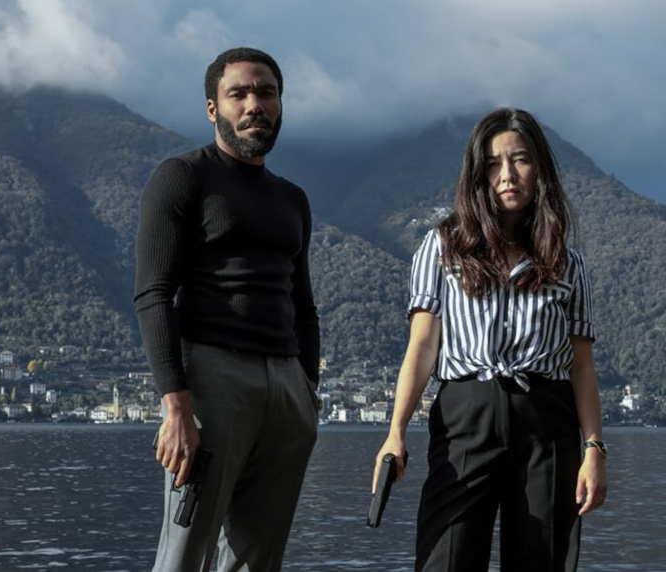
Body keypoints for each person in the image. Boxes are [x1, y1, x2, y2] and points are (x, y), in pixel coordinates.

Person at [373, 108, 608, 572]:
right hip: (465, 415)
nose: (507, 175)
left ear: (539, 169)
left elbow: (582, 367)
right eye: (493, 164)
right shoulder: (441, 247)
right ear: (477, 174)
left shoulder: (567, 264)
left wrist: (594, 450)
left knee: (542, 560)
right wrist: (395, 433)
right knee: (448, 558)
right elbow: (421, 347)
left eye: (520, 160)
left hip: (548, 422)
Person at [134, 47, 321, 572]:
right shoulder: (182, 177)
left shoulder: (293, 199)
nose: (254, 104)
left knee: (257, 560)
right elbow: (154, 292)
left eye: (265, 92)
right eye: (238, 93)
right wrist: (177, 407)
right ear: (213, 108)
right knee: (185, 552)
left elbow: (302, 302)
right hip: (212, 379)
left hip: (287, 389)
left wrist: (308, 389)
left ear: (281, 104)